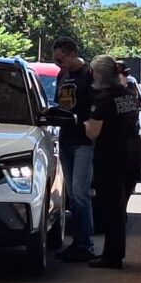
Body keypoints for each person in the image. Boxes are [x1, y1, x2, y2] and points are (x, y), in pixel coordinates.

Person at [84, 56, 141, 270]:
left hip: (112, 156)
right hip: (133, 153)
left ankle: (112, 256)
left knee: (111, 208)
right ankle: (114, 253)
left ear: (99, 74)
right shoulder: (128, 94)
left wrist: (81, 122)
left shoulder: (103, 99)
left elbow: (93, 132)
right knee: (120, 206)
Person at [52, 36, 96, 262]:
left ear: (71, 54)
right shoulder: (62, 75)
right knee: (71, 193)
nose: (58, 64)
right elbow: (60, 104)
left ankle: (85, 243)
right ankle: (77, 241)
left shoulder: (89, 74)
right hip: (66, 139)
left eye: (60, 60)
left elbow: (97, 106)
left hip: (84, 142)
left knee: (80, 192)